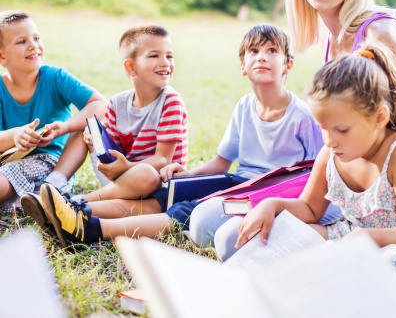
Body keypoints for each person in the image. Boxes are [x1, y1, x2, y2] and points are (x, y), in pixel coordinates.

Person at [23, 23, 329, 250]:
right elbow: (222, 163)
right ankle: (74, 210)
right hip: (239, 181)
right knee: (167, 194)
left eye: (272, 51)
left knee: (184, 211)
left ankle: (89, 228)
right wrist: (186, 175)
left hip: (269, 191)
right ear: (242, 66)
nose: (262, 57)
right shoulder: (245, 106)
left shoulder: (302, 116)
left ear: (288, 64)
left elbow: (317, 173)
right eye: (254, 51)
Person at [236, 43, 396, 271]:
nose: (330, 140)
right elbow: (310, 209)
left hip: (388, 244)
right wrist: (272, 204)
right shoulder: (331, 154)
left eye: (342, 130)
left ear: (380, 117)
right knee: (267, 240)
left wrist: (370, 238)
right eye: (323, 128)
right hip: (346, 238)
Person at [22, 24, 188, 244]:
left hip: (155, 182)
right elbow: (112, 149)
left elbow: (162, 160)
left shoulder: (171, 101)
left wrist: (126, 167)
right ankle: (57, 186)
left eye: (169, 56)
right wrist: (96, 143)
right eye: (154, 56)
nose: (165, 63)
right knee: (88, 128)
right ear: (130, 67)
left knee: (146, 174)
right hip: (121, 178)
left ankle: (72, 202)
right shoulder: (118, 102)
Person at [0, 10, 107, 211]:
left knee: (84, 123)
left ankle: (52, 188)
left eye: (36, 38)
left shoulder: (56, 77)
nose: (33, 45)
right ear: (2, 57)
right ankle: (39, 197)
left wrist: (65, 127)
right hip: (8, 160)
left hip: (52, 162)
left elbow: (100, 105)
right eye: (21, 41)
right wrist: (15, 135)